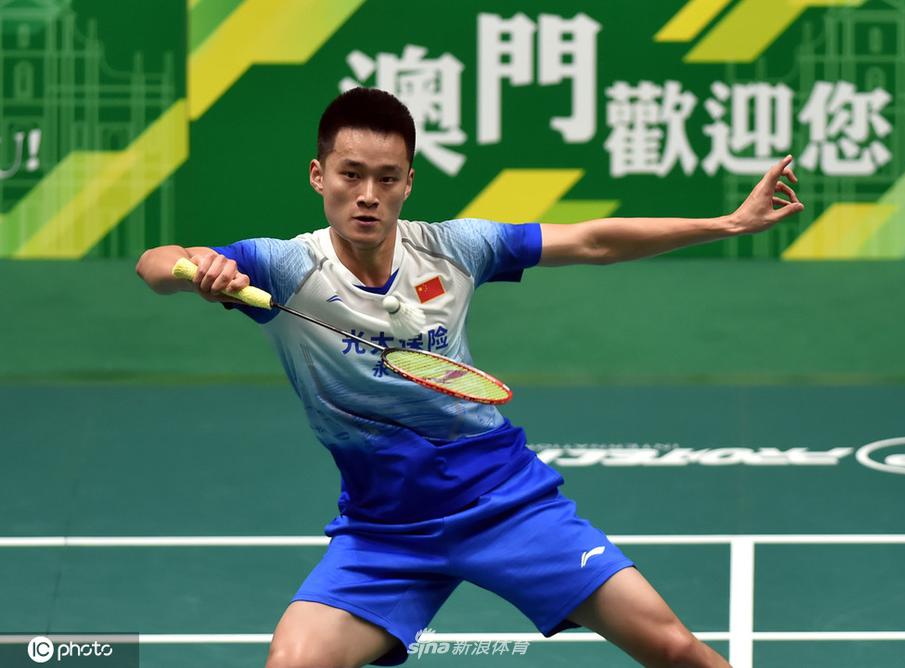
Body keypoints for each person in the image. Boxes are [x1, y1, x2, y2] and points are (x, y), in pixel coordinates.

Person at [136, 87, 803, 668]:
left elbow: (593, 241)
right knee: (293, 662)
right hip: (385, 532)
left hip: (504, 504)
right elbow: (155, 263)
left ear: (408, 183)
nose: (368, 195)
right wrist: (197, 269)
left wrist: (728, 223)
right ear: (319, 175)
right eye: (351, 174)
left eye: (387, 178)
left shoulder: (454, 249)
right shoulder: (284, 269)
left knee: (674, 650)